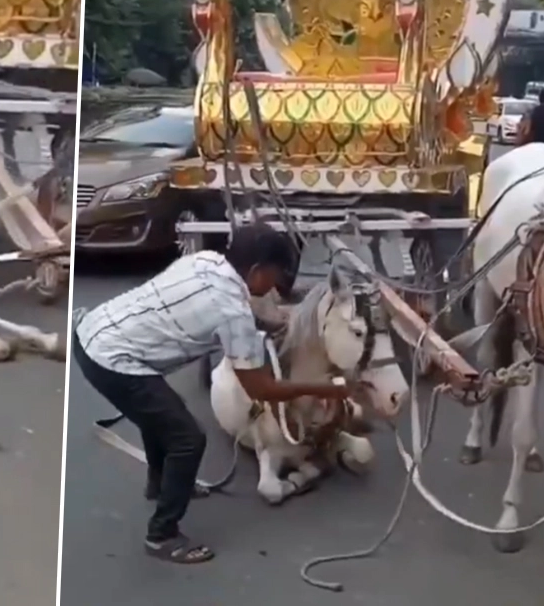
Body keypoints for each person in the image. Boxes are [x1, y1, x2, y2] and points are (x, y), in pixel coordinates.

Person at [71, 224, 348, 564]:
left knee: (165, 413)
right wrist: (326, 388)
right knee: (188, 438)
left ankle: (161, 484)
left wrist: (269, 328)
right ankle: (163, 535)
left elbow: (220, 311)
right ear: (257, 270)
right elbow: (261, 388)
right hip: (112, 360)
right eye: (274, 278)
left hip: (91, 332)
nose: (274, 288)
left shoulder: (205, 261)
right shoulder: (234, 313)